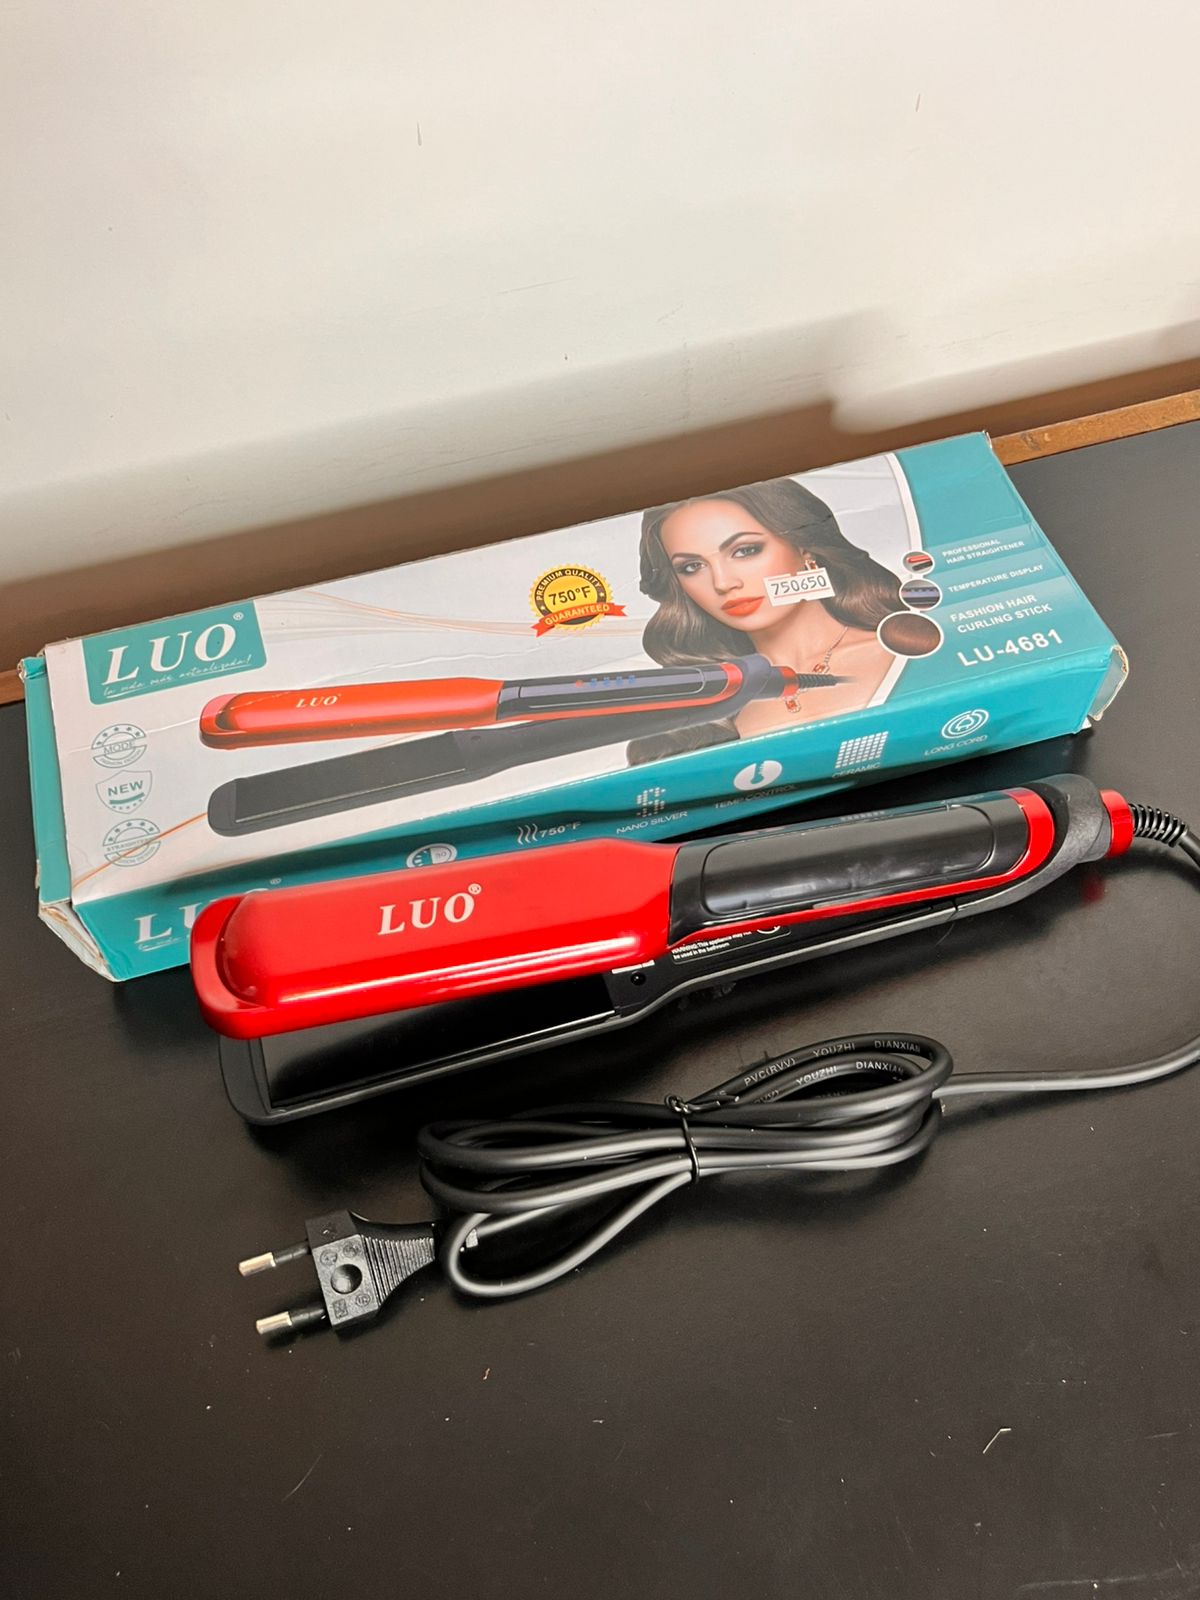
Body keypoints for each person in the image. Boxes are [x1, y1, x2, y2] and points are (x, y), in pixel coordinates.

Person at [631, 476, 916, 760]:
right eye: (692, 567)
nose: (723, 582)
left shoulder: (902, 650)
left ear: (804, 548)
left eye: (745, 551)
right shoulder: (697, 707)